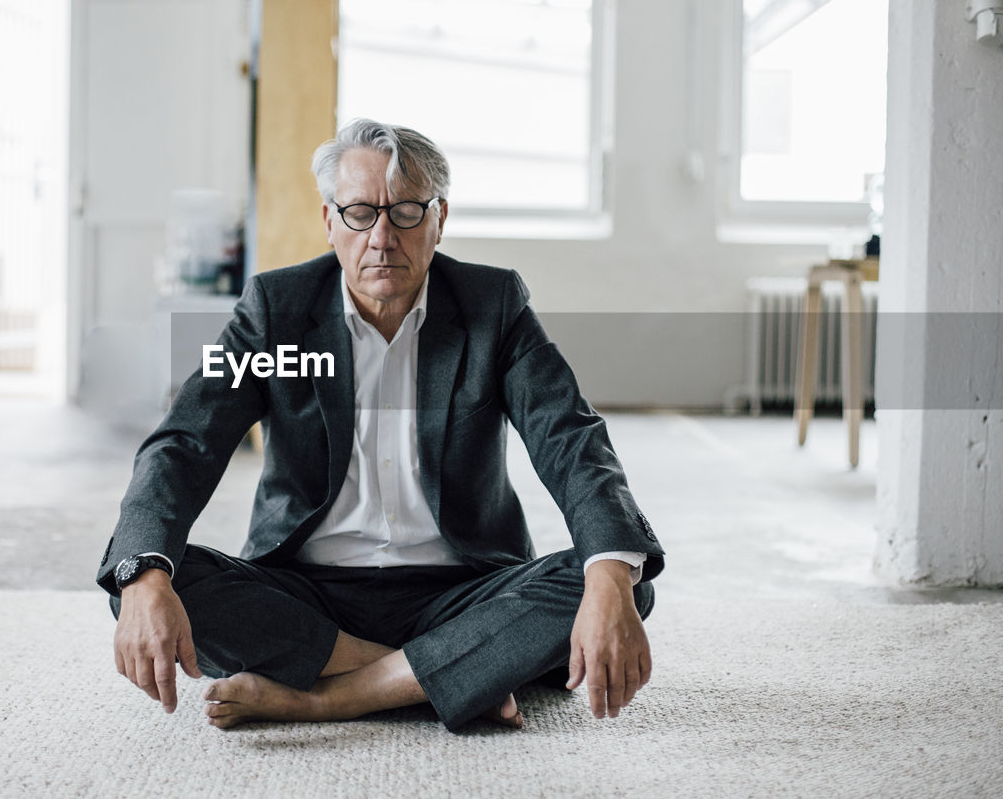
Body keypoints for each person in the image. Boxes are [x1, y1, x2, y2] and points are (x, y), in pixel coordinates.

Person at [97, 118, 664, 731]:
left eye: (407, 213)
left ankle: (329, 696)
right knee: (144, 580)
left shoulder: (492, 307)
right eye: (361, 213)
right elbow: (186, 443)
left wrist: (608, 571)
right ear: (330, 222)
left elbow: (570, 438)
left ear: (441, 219)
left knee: (620, 581)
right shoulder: (277, 312)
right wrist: (145, 573)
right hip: (305, 592)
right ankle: (442, 678)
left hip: (461, 591)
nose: (382, 238)